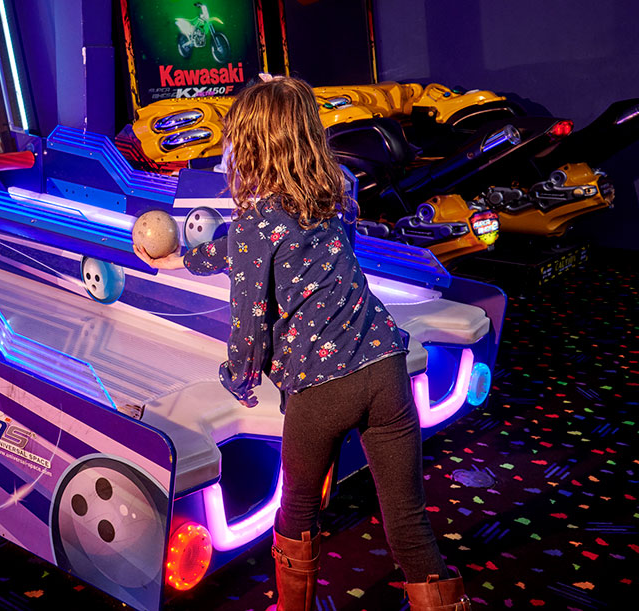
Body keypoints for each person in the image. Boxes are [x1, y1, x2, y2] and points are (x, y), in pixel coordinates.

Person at [135, 76, 471, 611]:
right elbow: (253, 249)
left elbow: (248, 323)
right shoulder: (336, 194)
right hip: (386, 365)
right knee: (406, 518)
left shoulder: (254, 225)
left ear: (246, 148)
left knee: (296, 514)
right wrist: (183, 258)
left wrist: (240, 381)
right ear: (308, 137)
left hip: (321, 389)